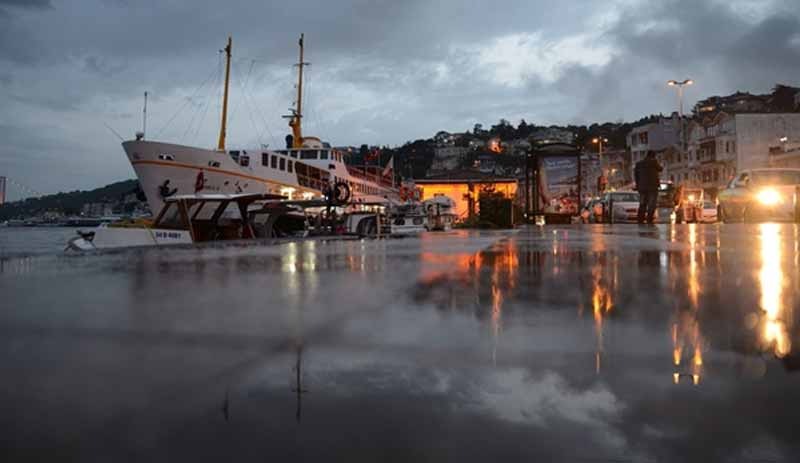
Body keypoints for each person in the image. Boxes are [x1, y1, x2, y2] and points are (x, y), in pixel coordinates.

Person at [634, 151, 662, 224]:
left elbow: (636, 176)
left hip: (642, 187)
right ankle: (649, 219)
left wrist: (638, 185)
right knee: (652, 204)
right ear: (653, 156)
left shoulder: (639, 164)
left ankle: (640, 219)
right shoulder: (654, 162)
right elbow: (660, 169)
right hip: (653, 187)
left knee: (642, 203)